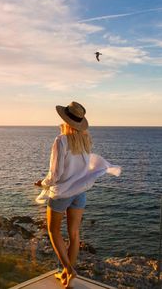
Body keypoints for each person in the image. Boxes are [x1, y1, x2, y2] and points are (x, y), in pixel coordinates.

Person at [35, 101, 121, 289]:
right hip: (80, 192)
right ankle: (67, 277)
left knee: (53, 231)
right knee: (74, 234)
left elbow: (55, 174)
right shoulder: (85, 140)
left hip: (62, 193)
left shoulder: (61, 140)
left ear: (64, 120)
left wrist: (42, 183)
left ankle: (69, 268)